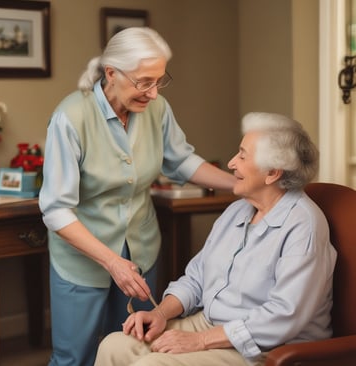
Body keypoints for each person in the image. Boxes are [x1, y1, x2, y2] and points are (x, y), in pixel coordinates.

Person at [38, 27, 235, 366]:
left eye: (159, 81)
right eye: (144, 82)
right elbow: (56, 210)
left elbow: (182, 160)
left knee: (136, 348)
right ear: (111, 73)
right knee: (75, 357)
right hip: (84, 257)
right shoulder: (70, 118)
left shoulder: (157, 110)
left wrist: (239, 184)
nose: (154, 93)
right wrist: (112, 262)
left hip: (142, 248)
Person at [94, 112, 337, 366]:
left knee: (151, 365)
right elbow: (197, 277)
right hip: (211, 324)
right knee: (114, 346)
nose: (232, 163)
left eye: (242, 156)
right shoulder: (238, 210)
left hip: (264, 346)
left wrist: (198, 342)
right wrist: (160, 314)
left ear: (273, 172)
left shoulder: (304, 225)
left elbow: (283, 316)